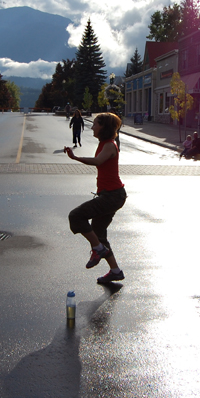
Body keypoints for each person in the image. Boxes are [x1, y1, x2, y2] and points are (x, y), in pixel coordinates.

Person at [65, 113, 126, 284]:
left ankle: (98, 249)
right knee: (99, 234)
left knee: (76, 215)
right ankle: (115, 271)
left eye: (95, 124)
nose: (92, 127)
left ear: (103, 127)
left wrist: (75, 158)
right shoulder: (104, 143)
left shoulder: (109, 145)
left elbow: (98, 161)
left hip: (113, 196)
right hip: (110, 194)